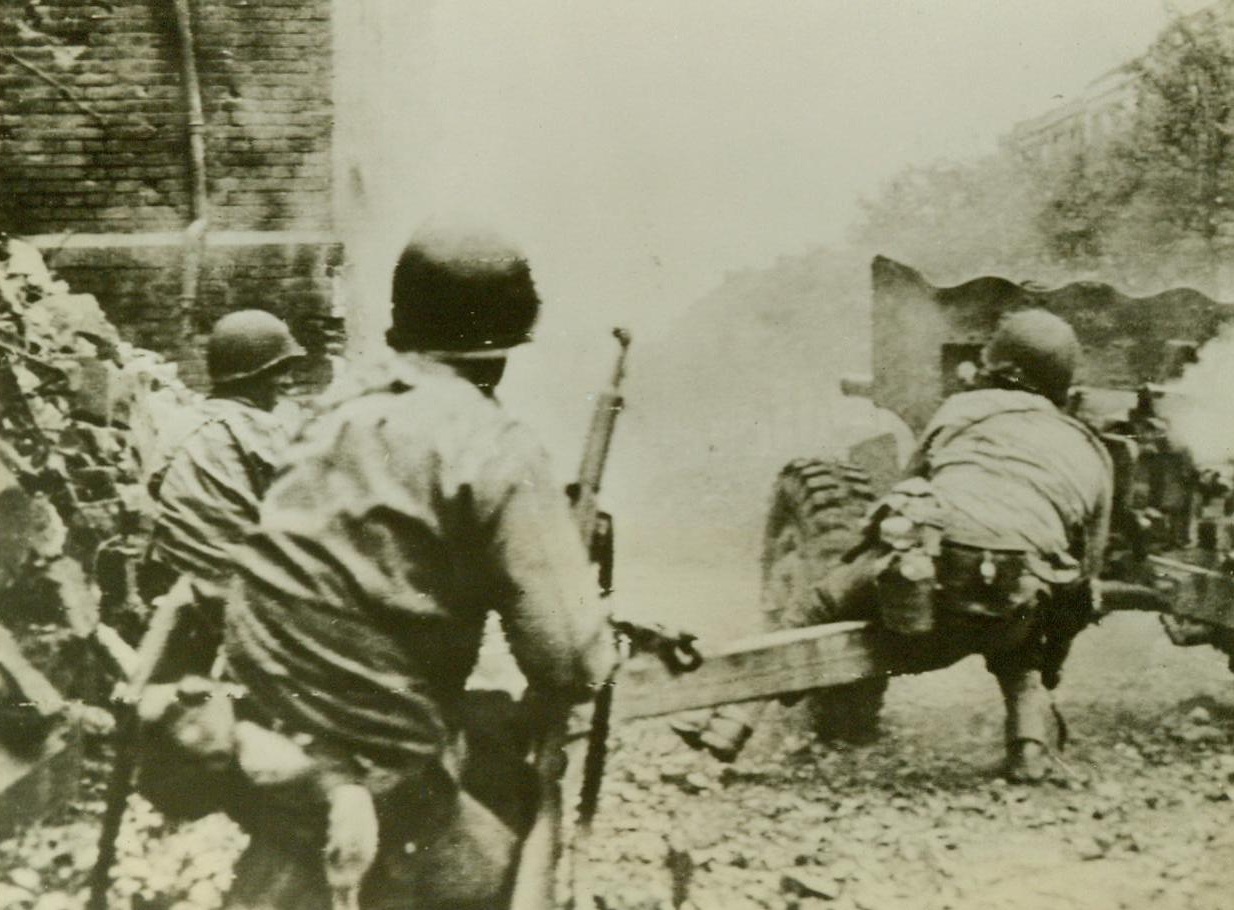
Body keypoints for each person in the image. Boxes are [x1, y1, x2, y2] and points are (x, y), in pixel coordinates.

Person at [217, 226, 616, 909]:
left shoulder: (328, 417)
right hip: (383, 772)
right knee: (510, 842)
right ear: (505, 348)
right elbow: (569, 662)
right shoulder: (491, 443)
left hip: (257, 739)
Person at [136, 309, 304, 672]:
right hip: (250, 606)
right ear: (254, 376)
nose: (287, 382)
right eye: (279, 371)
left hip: (181, 594)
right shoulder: (266, 431)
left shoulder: (177, 425)